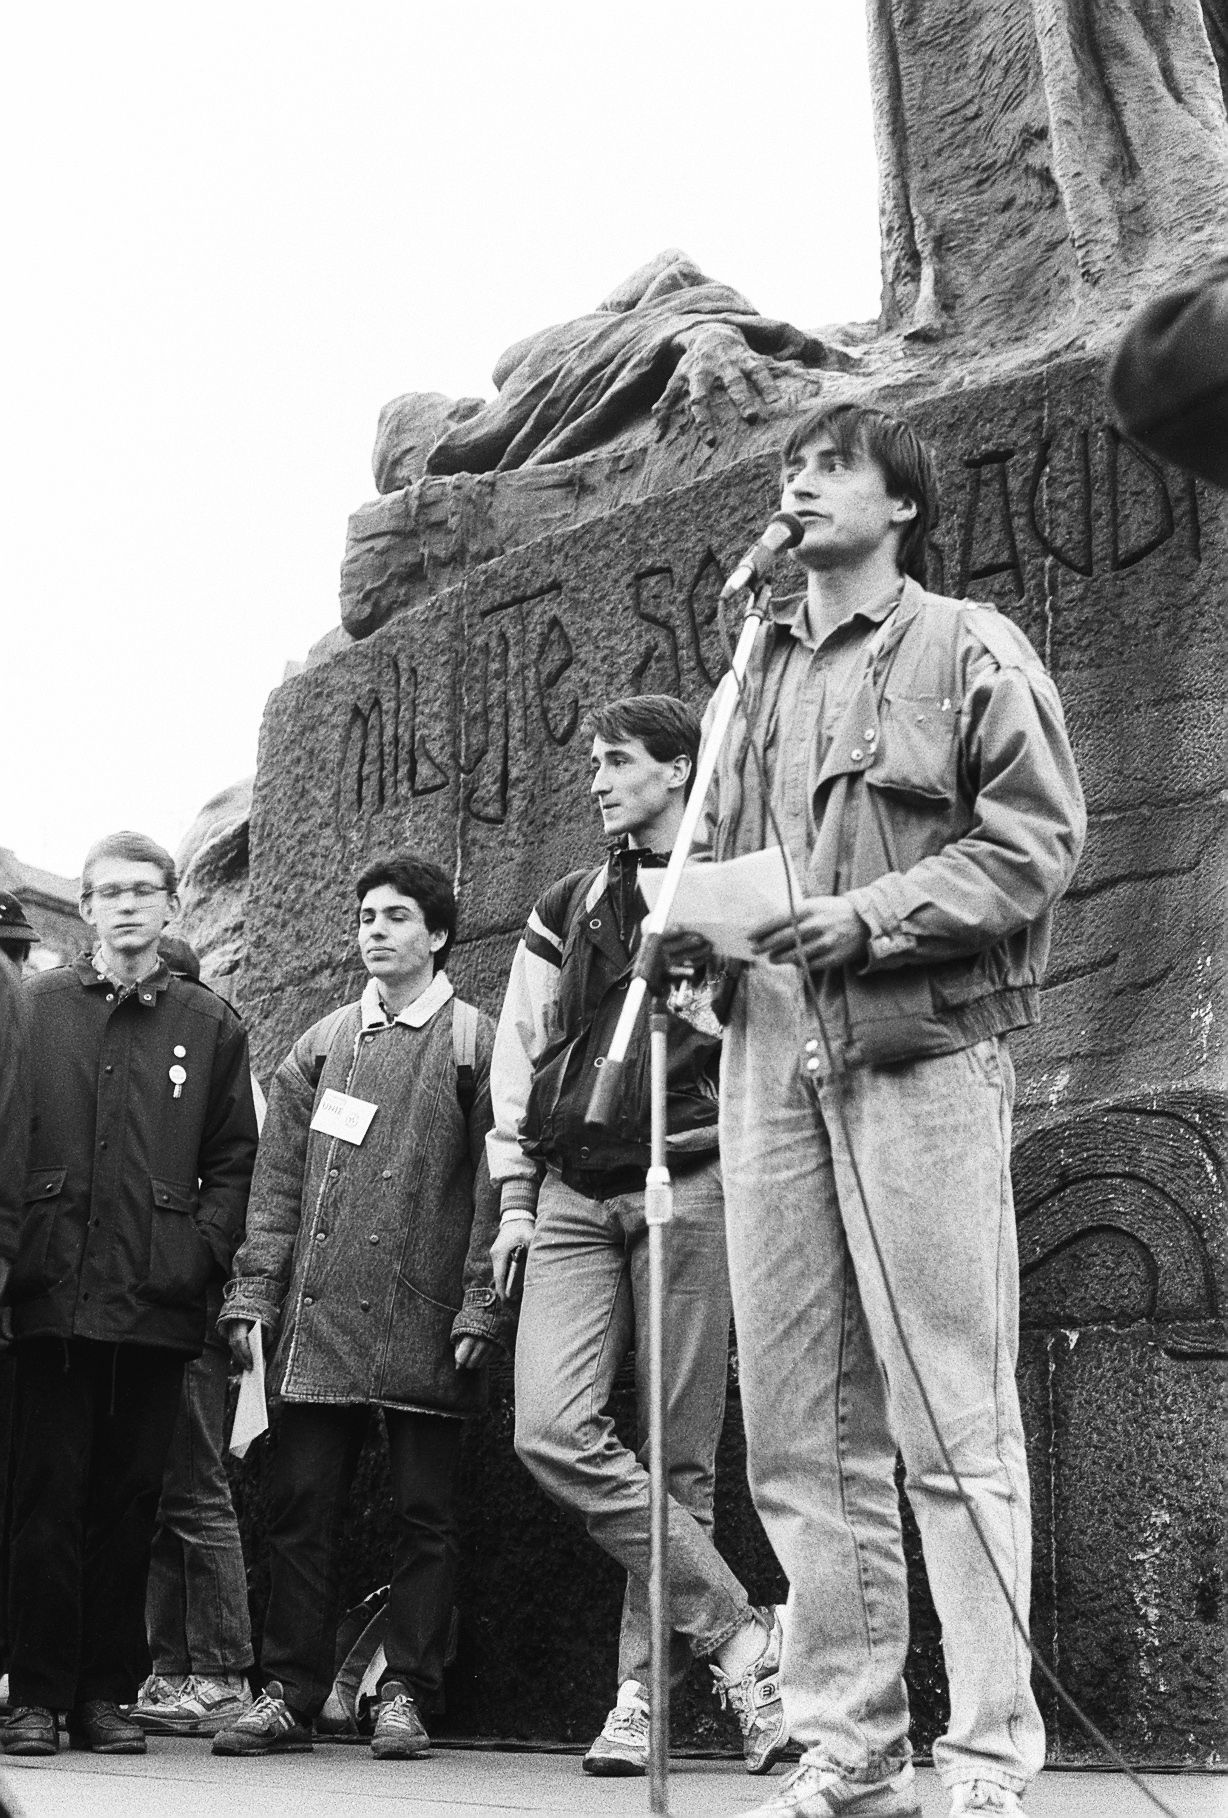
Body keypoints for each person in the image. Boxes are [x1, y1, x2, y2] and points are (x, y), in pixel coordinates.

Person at [693, 404, 1085, 1818]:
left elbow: (1037, 840)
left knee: (949, 1419)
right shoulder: (748, 670)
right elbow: (726, 861)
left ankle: (987, 1753)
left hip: (918, 1051)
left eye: (832, 464)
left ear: (903, 504)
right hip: (764, 1062)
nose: (798, 480)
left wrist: (874, 915)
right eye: (787, 465)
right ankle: (850, 1748)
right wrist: (694, 943)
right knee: (795, 1424)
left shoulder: (966, 645)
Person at [487, 694, 786, 1780]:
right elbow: (521, 1055)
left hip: (695, 1177)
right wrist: (514, 1195)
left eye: (619, 763)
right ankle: (746, 1637)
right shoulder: (569, 901)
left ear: (678, 770)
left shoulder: (737, 887)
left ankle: (640, 1701)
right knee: (550, 1429)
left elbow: (774, 1032)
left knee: (678, 1456)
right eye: (598, 763)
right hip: (571, 1187)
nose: (601, 781)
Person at [214, 853, 509, 1761]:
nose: (374, 931)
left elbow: (501, 1187)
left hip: (424, 1315)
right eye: (365, 917)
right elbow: (276, 1185)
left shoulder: (476, 1043)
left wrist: (478, 1308)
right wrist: (256, 1292)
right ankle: (291, 1692)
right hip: (320, 1317)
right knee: (301, 1506)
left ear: (439, 934)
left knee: (428, 1515)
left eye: (395, 917)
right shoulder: (320, 1042)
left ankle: (409, 1693)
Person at [1, 831, 258, 1758]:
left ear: (172, 903)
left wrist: (200, 1251)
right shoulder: (34, 1008)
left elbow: (235, 1160)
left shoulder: (211, 1023)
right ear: (88, 906)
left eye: (144, 891)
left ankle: (106, 1692)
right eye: (108, 893)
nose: (127, 908)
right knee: (42, 1498)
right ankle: (33, 1694)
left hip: (156, 1300)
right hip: (49, 1290)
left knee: (130, 1502)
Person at [129, 933, 256, 1736]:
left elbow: (244, 1193)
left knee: (196, 1490)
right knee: (165, 1495)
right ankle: (173, 1670)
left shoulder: (213, 1066)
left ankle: (222, 1672)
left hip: (190, 1308)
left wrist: (209, 1277)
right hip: (152, 1305)